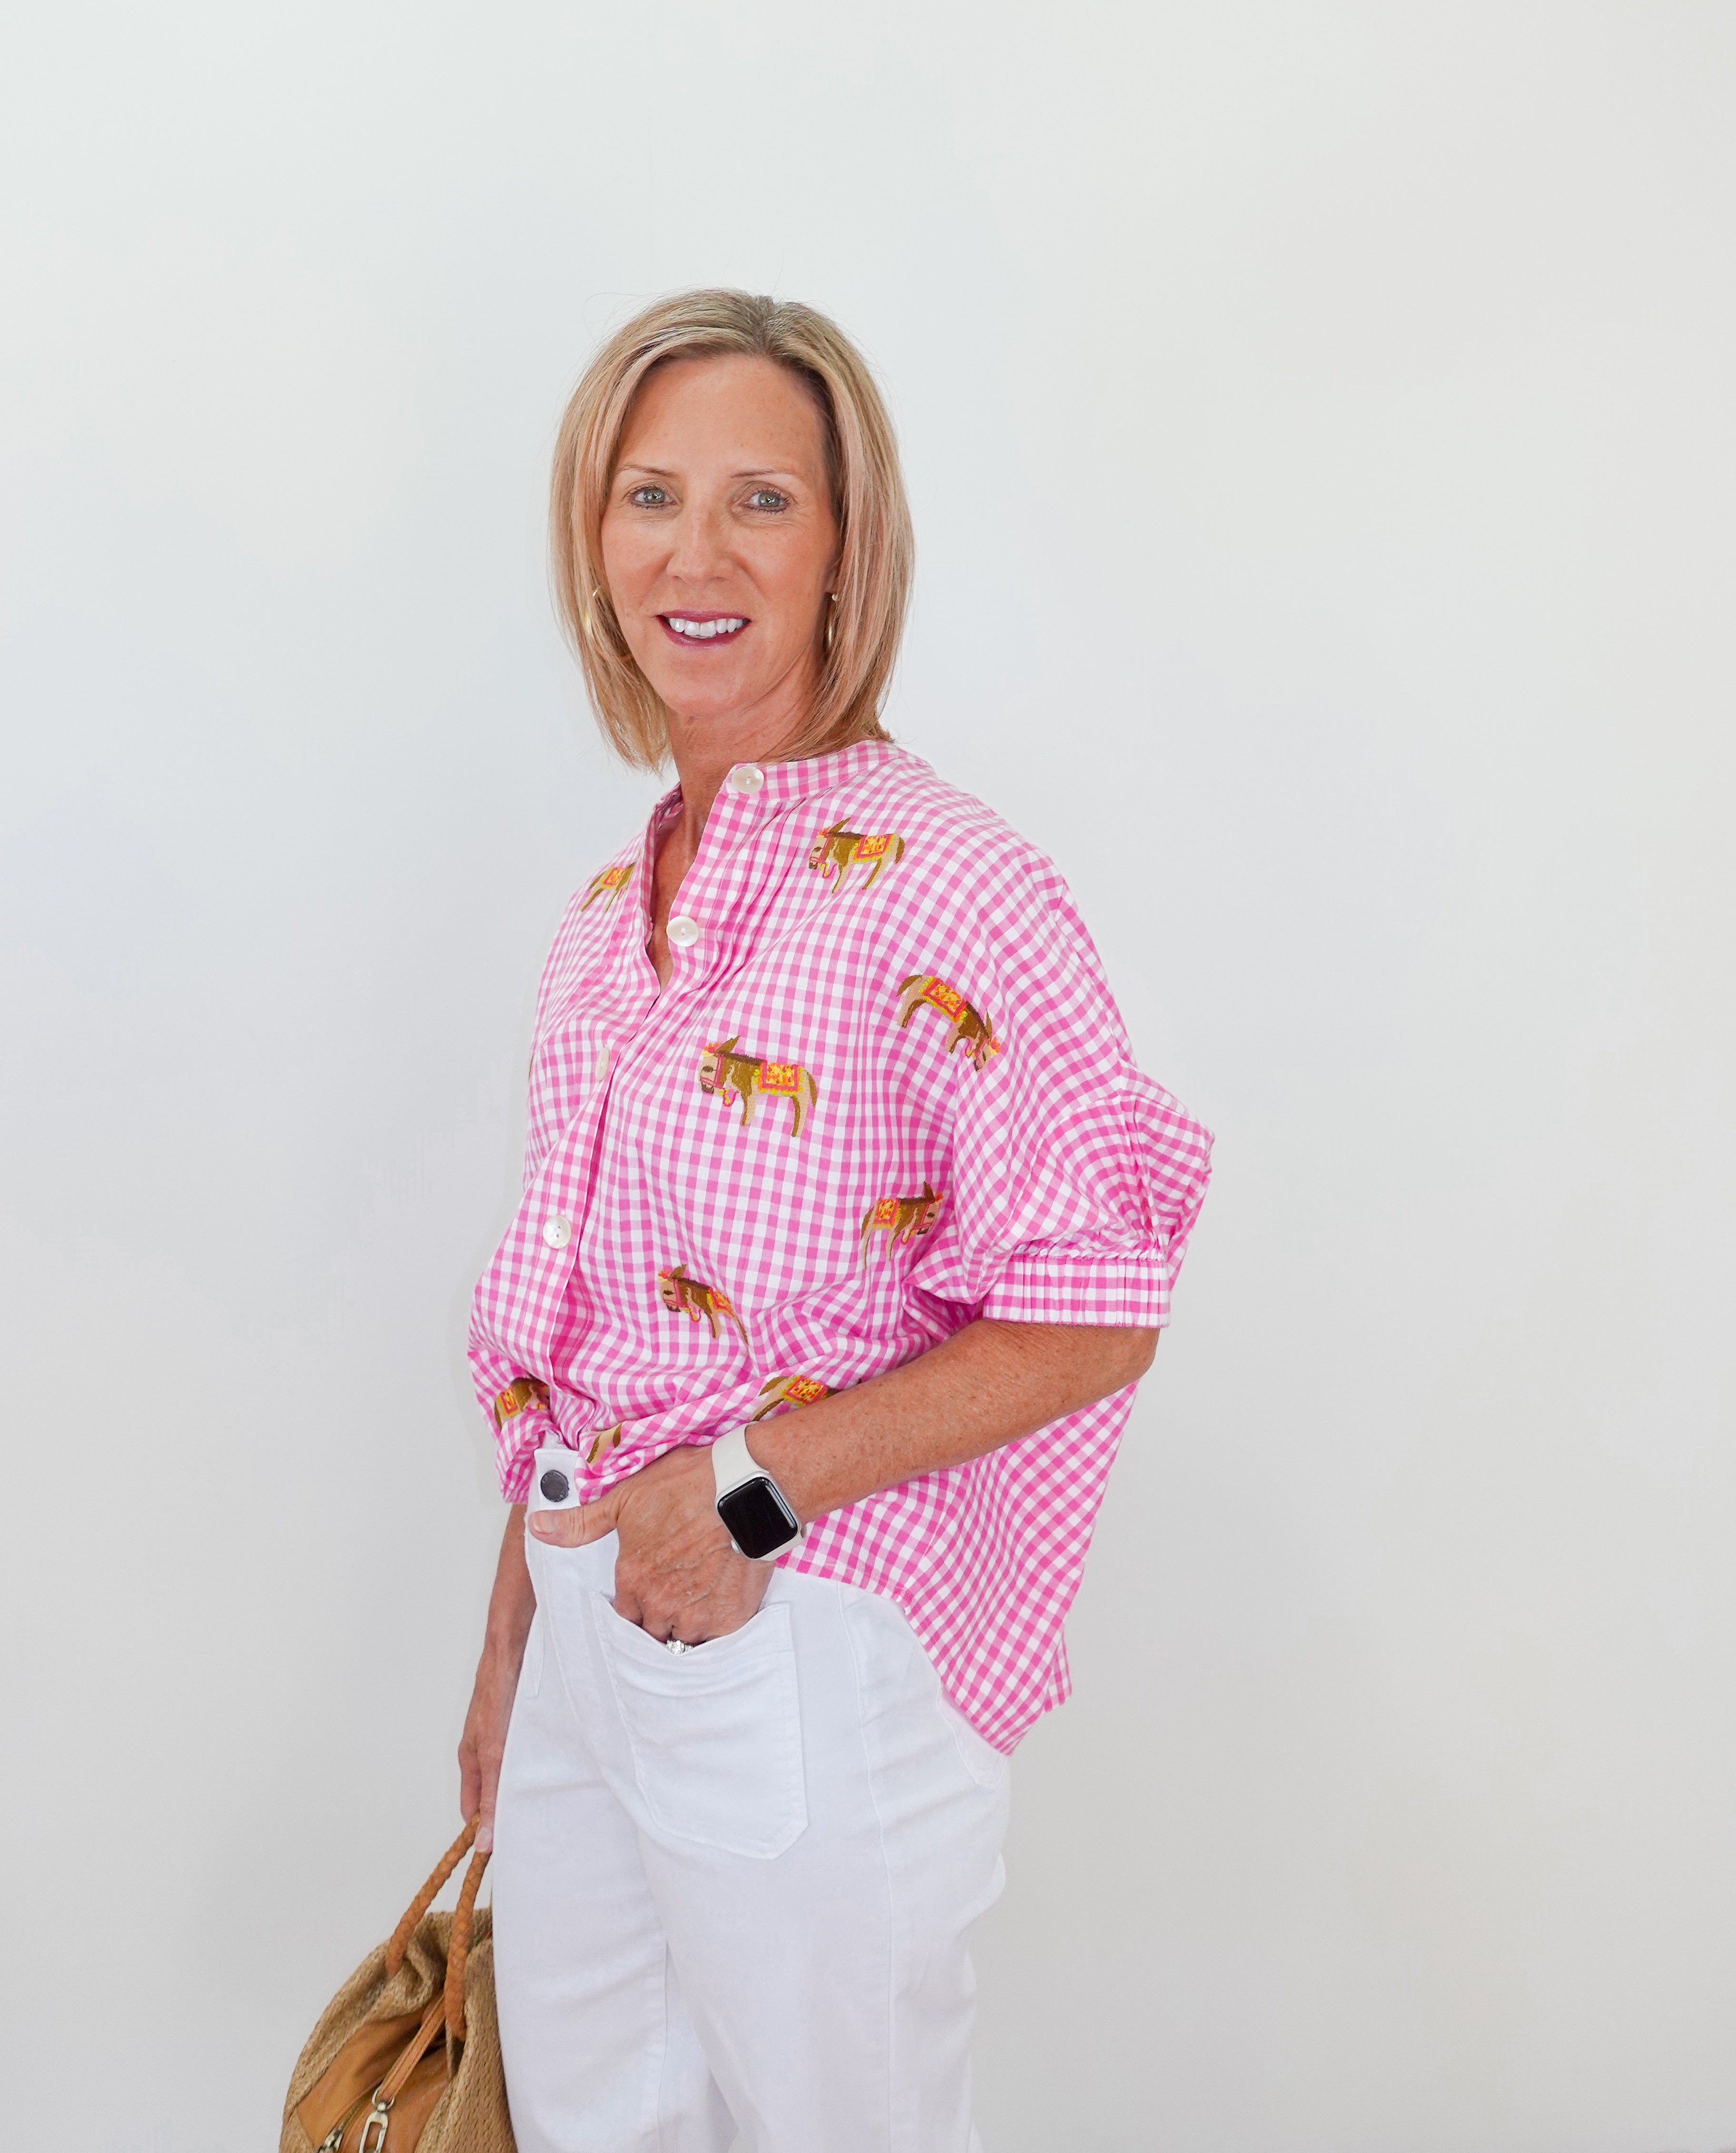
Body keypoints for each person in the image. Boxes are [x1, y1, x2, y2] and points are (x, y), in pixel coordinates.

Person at [457, 289, 1212, 2153]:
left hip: (799, 1622)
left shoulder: (948, 883)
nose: (695, 553)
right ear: (592, 537)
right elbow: (577, 1342)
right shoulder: (601, 916)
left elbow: (1099, 1298)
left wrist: (752, 1491)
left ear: (845, 546)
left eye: (761, 501)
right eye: (649, 495)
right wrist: (510, 1668)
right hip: (586, 1634)